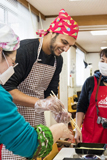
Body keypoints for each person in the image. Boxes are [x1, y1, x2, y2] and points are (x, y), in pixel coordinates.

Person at [2, 8, 79, 159]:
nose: (66, 48)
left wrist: (56, 107)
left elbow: (49, 92)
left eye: (69, 45)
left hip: (38, 119)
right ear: (51, 32)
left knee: (38, 151)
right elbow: (7, 88)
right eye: (64, 42)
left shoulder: (58, 60)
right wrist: (39, 103)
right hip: (14, 117)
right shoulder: (25, 49)